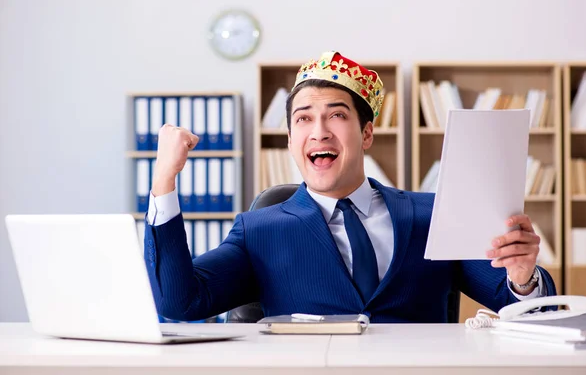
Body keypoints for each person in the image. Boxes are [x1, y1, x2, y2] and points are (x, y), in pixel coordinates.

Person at [144, 51, 556, 323]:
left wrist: (523, 277)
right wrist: (164, 182)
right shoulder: (259, 230)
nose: (318, 131)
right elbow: (180, 302)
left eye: (335, 116)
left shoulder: (433, 214)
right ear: (290, 141)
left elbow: (525, 307)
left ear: (366, 133)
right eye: (303, 119)